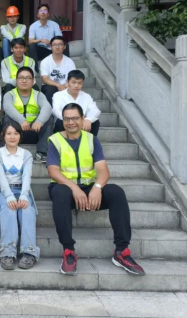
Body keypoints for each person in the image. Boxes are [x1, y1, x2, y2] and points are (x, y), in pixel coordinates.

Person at [47, 103, 145, 276]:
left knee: (116, 192)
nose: (71, 122)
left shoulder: (91, 139)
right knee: (60, 193)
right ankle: (68, 251)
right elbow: (53, 171)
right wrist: (74, 188)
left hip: (89, 188)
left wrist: (97, 187)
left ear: (82, 119)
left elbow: (103, 170)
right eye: (67, 119)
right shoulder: (55, 140)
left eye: (75, 118)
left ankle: (121, 251)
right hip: (66, 189)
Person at [0, 120, 40, 270]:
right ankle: (7, 253)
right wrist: (9, 196)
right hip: (3, 192)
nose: (12, 137)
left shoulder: (26, 155)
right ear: (3, 136)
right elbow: (0, 178)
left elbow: (27, 176)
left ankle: (29, 252)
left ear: (20, 136)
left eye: (16, 133)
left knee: (27, 210)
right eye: (9, 133)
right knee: (9, 208)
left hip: (22, 190)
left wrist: (24, 195)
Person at [3, 66, 53, 163]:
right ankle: (11, 151)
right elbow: (7, 107)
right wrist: (22, 120)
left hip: (35, 129)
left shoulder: (38, 94)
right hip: (17, 130)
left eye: (28, 78)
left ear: (33, 81)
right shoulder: (10, 94)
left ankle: (42, 152)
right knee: (7, 119)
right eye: (21, 78)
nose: (24, 81)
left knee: (49, 119)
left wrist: (39, 121)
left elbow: (47, 107)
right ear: (16, 80)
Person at [52, 70, 101, 136]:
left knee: (94, 121)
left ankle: (90, 142)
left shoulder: (86, 96)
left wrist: (88, 119)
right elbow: (56, 111)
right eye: (73, 82)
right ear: (67, 82)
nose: (76, 86)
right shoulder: (58, 95)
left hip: (81, 125)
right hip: (66, 123)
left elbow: (95, 110)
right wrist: (73, 119)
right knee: (60, 121)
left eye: (80, 83)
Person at [40, 36, 76, 105]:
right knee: (50, 89)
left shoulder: (69, 62)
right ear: (51, 47)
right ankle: (51, 110)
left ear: (64, 47)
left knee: (72, 88)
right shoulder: (45, 61)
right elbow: (45, 79)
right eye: (54, 45)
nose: (57, 47)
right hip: (50, 86)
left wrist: (66, 85)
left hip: (66, 86)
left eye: (60, 44)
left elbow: (73, 77)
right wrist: (58, 85)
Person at [28, 4, 63, 68]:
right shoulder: (33, 26)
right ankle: (34, 68)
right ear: (38, 15)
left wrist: (51, 42)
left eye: (45, 11)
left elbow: (60, 39)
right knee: (32, 46)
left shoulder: (54, 25)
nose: (43, 13)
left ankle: (64, 66)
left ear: (48, 14)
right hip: (40, 50)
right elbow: (30, 41)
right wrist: (40, 40)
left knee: (65, 45)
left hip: (52, 50)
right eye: (41, 11)